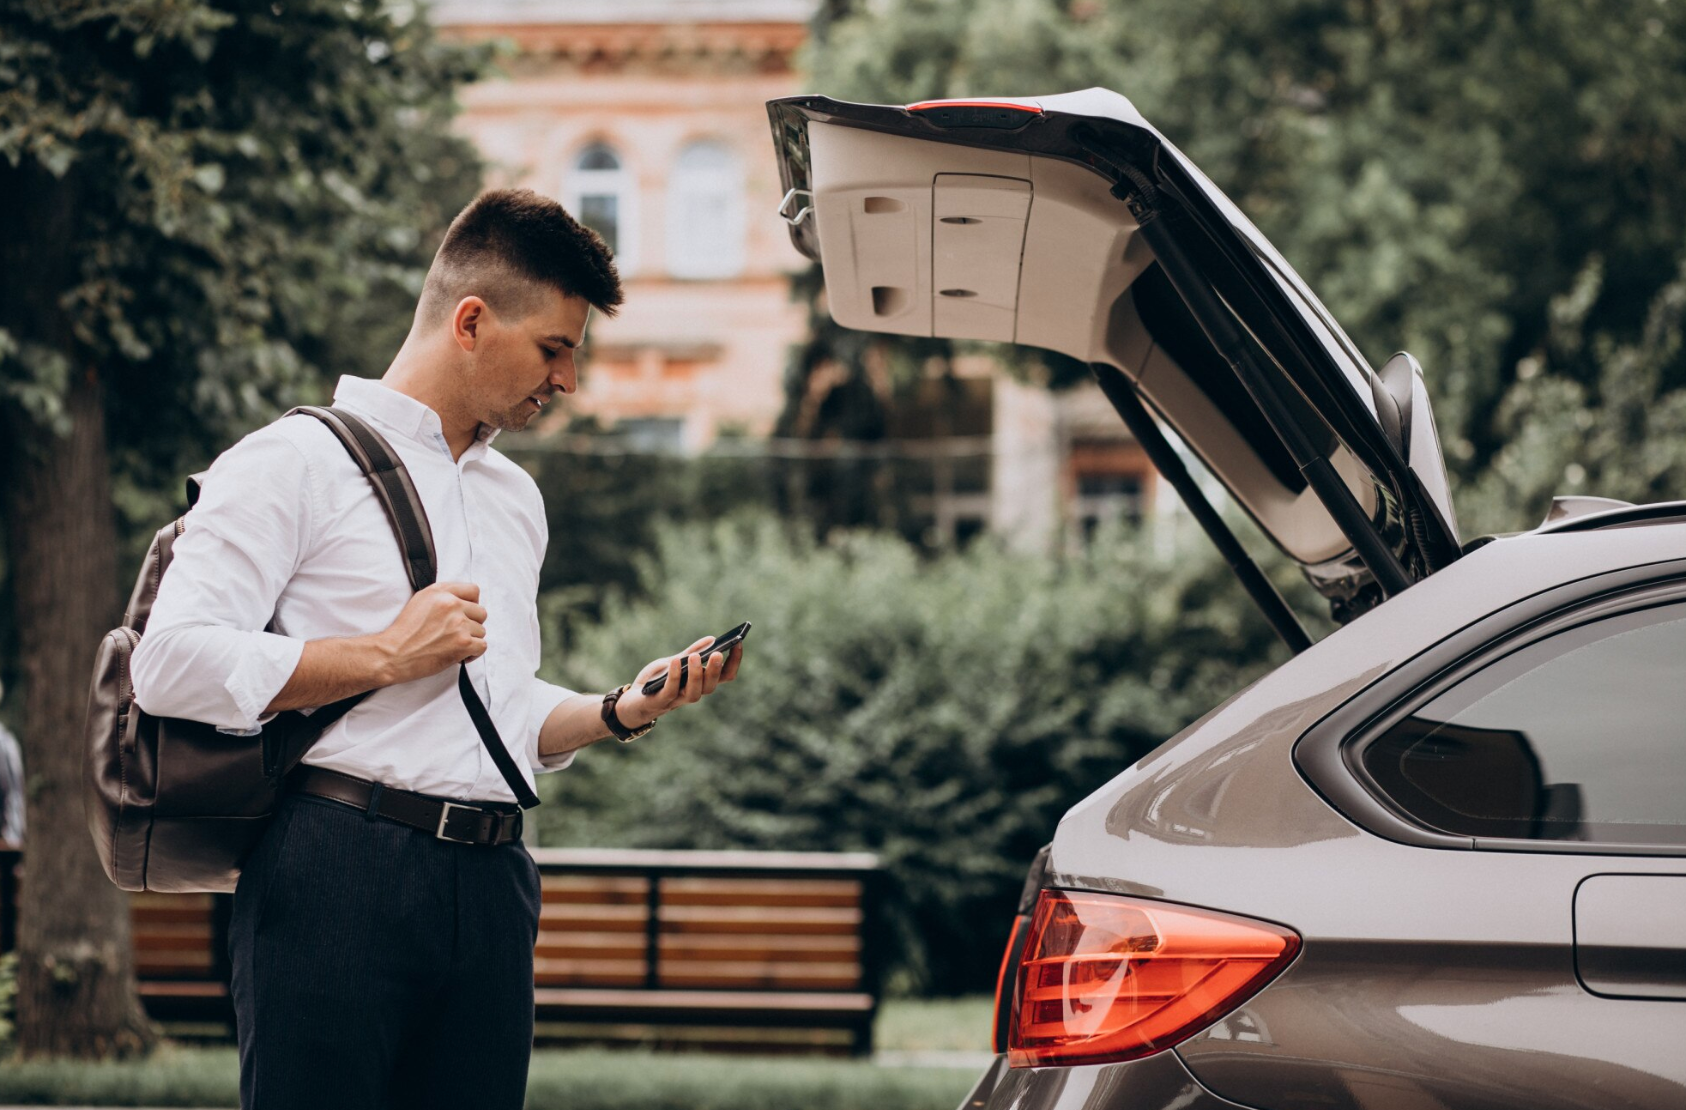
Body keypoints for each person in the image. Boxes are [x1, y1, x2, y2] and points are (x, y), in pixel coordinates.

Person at [129, 188, 741, 1110]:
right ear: (470, 320)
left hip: (494, 884)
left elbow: (495, 708)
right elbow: (167, 663)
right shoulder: (289, 463)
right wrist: (379, 654)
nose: (566, 381)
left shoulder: (513, 498)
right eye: (554, 348)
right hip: (336, 866)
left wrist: (623, 708)